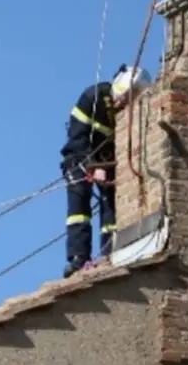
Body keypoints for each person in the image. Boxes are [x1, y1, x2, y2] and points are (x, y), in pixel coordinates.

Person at [60, 64, 152, 278]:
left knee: (111, 205)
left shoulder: (127, 113)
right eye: (125, 95)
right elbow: (78, 136)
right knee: (79, 208)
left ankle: (109, 252)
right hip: (78, 158)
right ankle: (78, 258)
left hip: (108, 163)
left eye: (131, 97)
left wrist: (105, 166)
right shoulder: (93, 97)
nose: (123, 101)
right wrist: (92, 164)